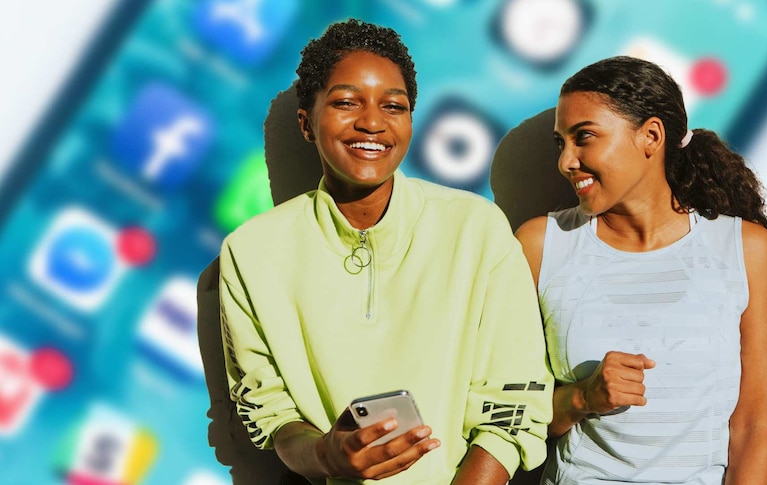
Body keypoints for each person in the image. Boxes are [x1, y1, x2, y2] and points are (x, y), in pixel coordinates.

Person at [217, 19, 553, 484]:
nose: (372, 122)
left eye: (393, 105)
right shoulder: (251, 251)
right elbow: (269, 411)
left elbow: (516, 404)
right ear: (306, 123)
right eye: (345, 102)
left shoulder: (477, 229)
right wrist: (325, 455)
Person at [513, 56, 767, 484]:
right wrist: (582, 397)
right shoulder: (540, 244)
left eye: (584, 137)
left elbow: (755, 426)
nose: (566, 161)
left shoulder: (744, 248)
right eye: (560, 143)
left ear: (651, 136)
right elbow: (510, 413)